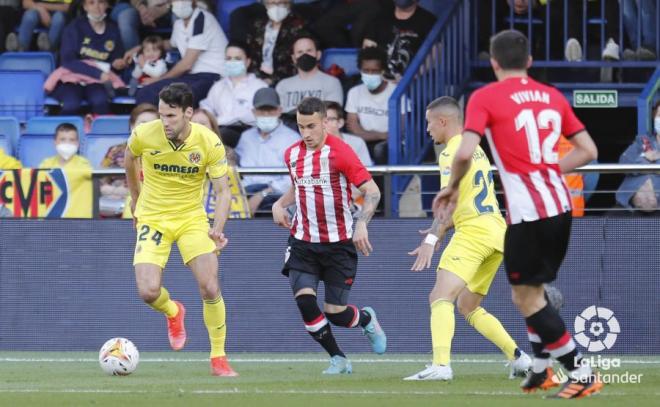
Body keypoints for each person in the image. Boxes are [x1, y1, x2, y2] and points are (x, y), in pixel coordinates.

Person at [433, 30, 601, 398]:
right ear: (529, 62)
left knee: (526, 299)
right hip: (561, 206)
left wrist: (451, 187)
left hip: (528, 213)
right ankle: (541, 369)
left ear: (493, 63)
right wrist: (549, 170)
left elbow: (464, 153)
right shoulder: (552, 96)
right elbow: (588, 150)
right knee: (529, 293)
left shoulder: (486, 96)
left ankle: (582, 372)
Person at [403, 96, 531, 381]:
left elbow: (451, 199)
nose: (428, 130)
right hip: (496, 233)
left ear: (443, 121)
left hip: (473, 233)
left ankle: (440, 366)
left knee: (440, 296)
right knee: (468, 305)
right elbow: (467, 200)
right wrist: (441, 228)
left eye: (429, 123)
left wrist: (431, 240)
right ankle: (520, 359)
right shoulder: (476, 150)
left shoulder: (451, 153)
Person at [124, 83, 238, 376]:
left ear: (188, 113)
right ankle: (173, 311)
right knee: (148, 292)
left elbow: (223, 191)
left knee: (210, 286)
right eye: (162, 115)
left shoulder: (208, 142)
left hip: (191, 219)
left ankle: (218, 358)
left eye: (171, 116)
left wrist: (217, 228)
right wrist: (136, 201)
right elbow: (129, 157)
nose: (165, 122)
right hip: (154, 217)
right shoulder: (144, 134)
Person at [272, 97, 386, 374]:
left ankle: (366, 318)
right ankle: (338, 358)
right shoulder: (292, 155)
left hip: (339, 244)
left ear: (325, 122)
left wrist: (361, 224)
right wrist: (278, 204)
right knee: (305, 301)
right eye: (301, 127)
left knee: (336, 313)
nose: (306, 133)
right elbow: (299, 186)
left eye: (311, 126)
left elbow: (373, 191)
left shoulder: (341, 153)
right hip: (303, 241)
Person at [133, 0, 227, 107]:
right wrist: (140, 48)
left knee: (179, 98)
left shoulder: (202, 18)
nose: (180, 3)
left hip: (213, 76)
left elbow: (187, 64)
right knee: (145, 93)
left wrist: (159, 79)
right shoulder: (178, 24)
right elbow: (170, 44)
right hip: (193, 77)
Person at [47, 0, 126, 115]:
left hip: (97, 81)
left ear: (107, 5)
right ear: (85, 7)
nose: (97, 7)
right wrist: (98, 73)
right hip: (71, 78)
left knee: (100, 100)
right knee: (71, 102)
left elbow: (115, 60)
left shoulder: (113, 29)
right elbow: (68, 61)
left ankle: (97, 131)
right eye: (91, 3)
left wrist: (117, 63)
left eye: (101, 2)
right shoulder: (74, 27)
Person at [235, 87, 300, 214]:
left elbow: (294, 180)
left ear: (279, 111)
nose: (265, 115)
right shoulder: (246, 137)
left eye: (270, 110)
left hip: (276, 197)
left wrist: (263, 194)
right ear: (253, 111)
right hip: (244, 193)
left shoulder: (293, 139)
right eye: (261, 111)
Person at [199, 41, 269, 148]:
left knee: (221, 136)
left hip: (251, 134)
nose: (232, 62)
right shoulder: (218, 87)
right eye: (228, 58)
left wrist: (220, 120)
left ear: (248, 62)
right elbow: (206, 109)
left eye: (237, 59)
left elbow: (255, 117)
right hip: (221, 130)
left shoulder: (260, 87)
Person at [99, 103, 158, 218]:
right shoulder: (115, 151)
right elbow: (100, 184)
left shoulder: (164, 155)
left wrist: (125, 192)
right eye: (143, 124)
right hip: (113, 207)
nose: (147, 129)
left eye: (153, 125)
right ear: (132, 125)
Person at [191, 108, 251, 219]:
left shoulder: (226, 151)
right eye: (194, 124)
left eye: (203, 123)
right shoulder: (179, 152)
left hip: (220, 206)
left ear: (213, 128)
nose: (198, 127)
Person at [363, 0, 436, 81]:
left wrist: (409, 77)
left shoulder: (428, 20)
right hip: (381, 80)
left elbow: (434, 55)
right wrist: (378, 75)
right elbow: (368, 48)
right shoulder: (381, 17)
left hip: (413, 82)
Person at [345, 46, 395, 165]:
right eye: (366, 70)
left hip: (388, 144)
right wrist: (381, 135)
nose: (370, 74)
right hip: (365, 140)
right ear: (360, 70)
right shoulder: (354, 92)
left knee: (380, 150)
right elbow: (352, 127)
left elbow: (400, 129)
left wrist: (369, 135)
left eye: (374, 71)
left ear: (383, 71)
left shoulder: (396, 93)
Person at [275, 35, 343, 118]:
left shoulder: (332, 82)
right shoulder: (283, 85)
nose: (305, 55)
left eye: (309, 50)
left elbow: (331, 115)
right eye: (300, 52)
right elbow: (278, 115)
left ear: (318, 54)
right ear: (293, 58)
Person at [244, 0, 306, 85]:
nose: (276, 7)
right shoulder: (258, 24)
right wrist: (257, 79)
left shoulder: (298, 26)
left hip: (286, 81)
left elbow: (297, 61)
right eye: (272, 3)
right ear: (266, 5)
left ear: (289, 4)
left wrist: (272, 80)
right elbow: (250, 54)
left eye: (281, 3)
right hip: (257, 80)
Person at [616, 100, 660, 212]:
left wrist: (643, 166)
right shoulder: (642, 141)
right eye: (659, 115)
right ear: (654, 118)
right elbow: (623, 164)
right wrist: (644, 157)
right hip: (631, 209)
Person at [5, 0, 70, 52]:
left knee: (58, 19)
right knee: (29, 17)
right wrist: (41, 10)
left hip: (59, 12)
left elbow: (67, 7)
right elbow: (26, 3)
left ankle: (48, 52)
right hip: (37, 9)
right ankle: (19, 49)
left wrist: (42, 5)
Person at [324, 101, 372, 166]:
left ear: (340, 123)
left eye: (329, 119)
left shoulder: (357, 143)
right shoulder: (308, 144)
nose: (323, 124)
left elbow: (366, 171)